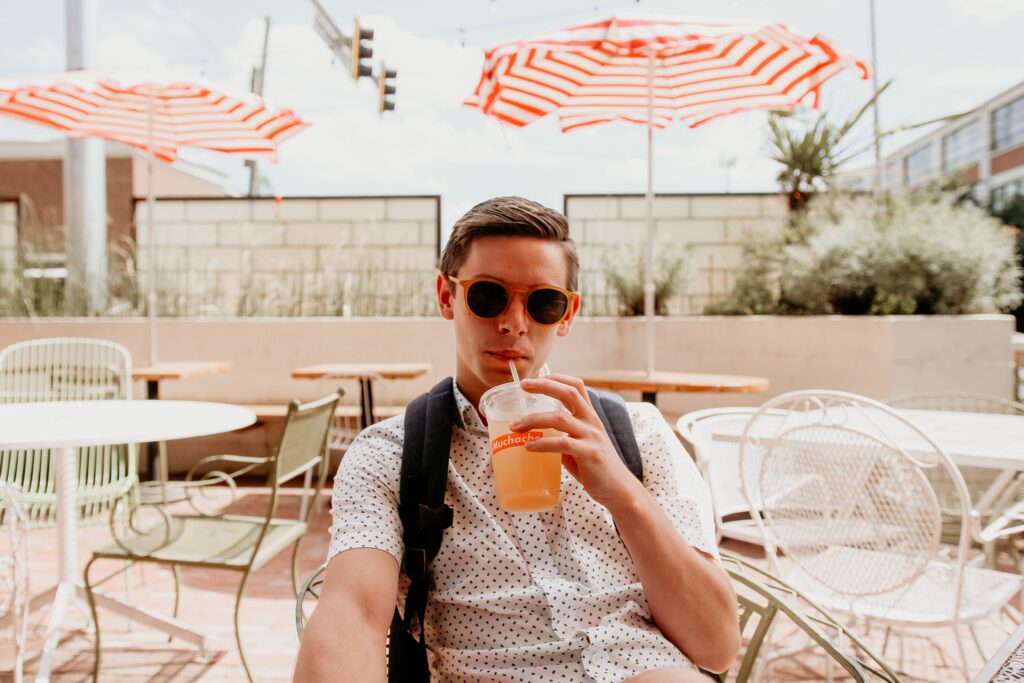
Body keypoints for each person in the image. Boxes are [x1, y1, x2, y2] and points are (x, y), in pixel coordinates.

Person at [294, 196, 739, 683]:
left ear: (567, 315)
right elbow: (350, 616)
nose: (513, 323)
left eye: (543, 302)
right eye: (488, 296)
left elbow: (716, 648)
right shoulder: (391, 456)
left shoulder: (637, 433)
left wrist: (623, 494)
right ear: (447, 296)